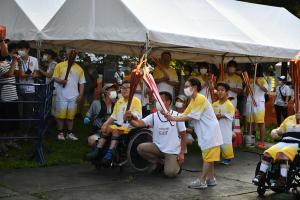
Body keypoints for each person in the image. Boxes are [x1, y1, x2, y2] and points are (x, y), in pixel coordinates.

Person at [164, 78, 223, 189]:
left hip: (210, 132)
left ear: (195, 87)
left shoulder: (200, 98)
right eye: (185, 86)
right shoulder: (193, 100)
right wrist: (170, 115)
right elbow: (184, 114)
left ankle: (202, 181)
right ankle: (211, 179)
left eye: (187, 86)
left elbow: (191, 116)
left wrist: (173, 118)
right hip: (206, 132)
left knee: (208, 158)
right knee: (209, 157)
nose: (185, 89)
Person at [127, 92, 186, 178]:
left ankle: (176, 166)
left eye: (161, 100)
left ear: (168, 102)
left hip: (171, 151)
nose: (158, 103)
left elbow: (184, 136)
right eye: (157, 100)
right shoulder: (154, 116)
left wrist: (182, 154)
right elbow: (138, 124)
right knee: (141, 148)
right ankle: (160, 162)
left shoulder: (177, 116)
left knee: (170, 173)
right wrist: (129, 119)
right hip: (157, 148)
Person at [90, 80, 142, 163]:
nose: (125, 90)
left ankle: (110, 153)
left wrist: (131, 115)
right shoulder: (119, 101)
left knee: (115, 130)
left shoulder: (136, 100)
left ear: (131, 90)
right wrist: (105, 124)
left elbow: (138, 116)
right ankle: (98, 151)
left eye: (127, 88)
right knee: (107, 128)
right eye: (123, 88)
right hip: (119, 126)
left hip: (130, 128)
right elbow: (113, 116)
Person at [253, 112, 300, 189]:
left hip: (297, 144)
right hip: (284, 142)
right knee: (268, 153)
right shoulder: (289, 119)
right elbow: (281, 130)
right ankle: (261, 175)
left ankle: (282, 179)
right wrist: (276, 132)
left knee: (282, 153)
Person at [52, 48, 86, 141]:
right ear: (67, 54)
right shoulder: (60, 65)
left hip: (74, 95)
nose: (72, 55)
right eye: (71, 53)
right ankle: (60, 133)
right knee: (61, 116)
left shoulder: (79, 68)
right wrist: (61, 81)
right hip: (61, 94)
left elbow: (82, 83)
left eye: (74, 54)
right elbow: (54, 78)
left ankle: (70, 133)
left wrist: (81, 95)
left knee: (71, 116)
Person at [84, 84, 117, 159]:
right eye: (111, 90)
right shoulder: (96, 103)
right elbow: (89, 114)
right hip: (98, 130)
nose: (114, 92)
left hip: (111, 131)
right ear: (105, 92)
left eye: (114, 90)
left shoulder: (116, 105)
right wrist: (87, 118)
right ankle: (99, 153)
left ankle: (107, 153)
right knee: (91, 140)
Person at [17, 40, 40, 136]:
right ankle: (20, 132)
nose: (20, 51)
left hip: (31, 89)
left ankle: (26, 132)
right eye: (19, 49)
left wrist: (30, 74)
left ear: (28, 50)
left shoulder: (34, 60)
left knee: (29, 112)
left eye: (22, 49)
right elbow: (20, 75)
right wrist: (30, 73)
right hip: (19, 89)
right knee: (20, 112)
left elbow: (36, 73)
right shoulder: (17, 60)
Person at [245, 67, 268, 149]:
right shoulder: (250, 80)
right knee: (249, 122)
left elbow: (266, 90)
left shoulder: (263, 80)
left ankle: (262, 141)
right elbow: (246, 93)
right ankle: (250, 140)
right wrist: (248, 87)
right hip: (250, 102)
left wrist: (258, 84)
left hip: (259, 103)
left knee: (260, 122)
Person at [212, 83, 235, 165]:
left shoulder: (229, 104)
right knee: (215, 141)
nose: (220, 92)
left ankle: (228, 157)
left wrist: (221, 116)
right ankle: (215, 157)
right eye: (218, 90)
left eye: (222, 90)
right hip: (216, 127)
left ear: (227, 92)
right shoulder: (214, 104)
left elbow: (230, 115)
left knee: (225, 141)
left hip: (225, 127)